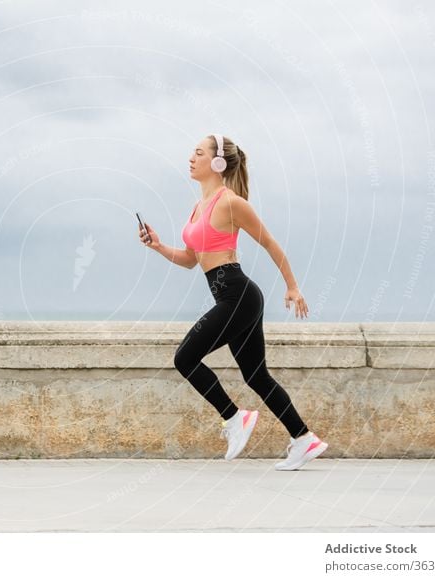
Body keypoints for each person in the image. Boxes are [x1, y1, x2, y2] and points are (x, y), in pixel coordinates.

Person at [138, 133, 328, 471]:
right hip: (234, 297)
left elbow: (269, 242)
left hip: (238, 296)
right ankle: (303, 438)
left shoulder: (230, 202)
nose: (191, 158)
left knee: (185, 358)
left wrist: (292, 286)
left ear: (217, 162)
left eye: (198, 153)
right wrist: (157, 245)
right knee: (256, 376)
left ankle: (234, 417)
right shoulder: (199, 207)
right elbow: (190, 259)